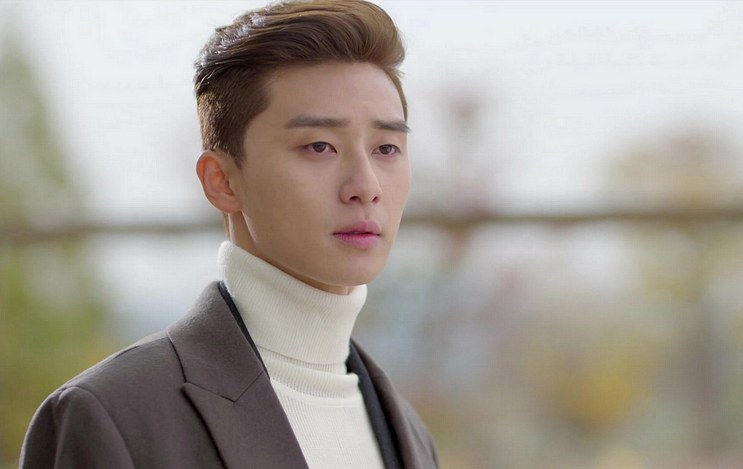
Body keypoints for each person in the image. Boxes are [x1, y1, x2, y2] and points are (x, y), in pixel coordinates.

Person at [19, 1, 438, 467]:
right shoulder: (112, 415)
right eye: (319, 146)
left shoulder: (407, 433)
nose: (366, 186)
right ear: (221, 181)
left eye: (387, 148)